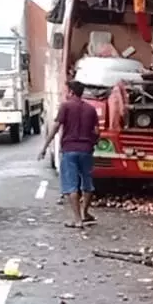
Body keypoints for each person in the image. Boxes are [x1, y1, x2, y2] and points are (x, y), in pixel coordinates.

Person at [39, 80, 99, 228]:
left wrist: (45, 147)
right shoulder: (91, 109)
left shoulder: (65, 107)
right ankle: (85, 213)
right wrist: (91, 143)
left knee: (71, 185)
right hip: (86, 150)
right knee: (87, 183)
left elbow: (55, 127)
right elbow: (97, 132)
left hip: (69, 150)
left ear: (71, 92)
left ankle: (78, 220)